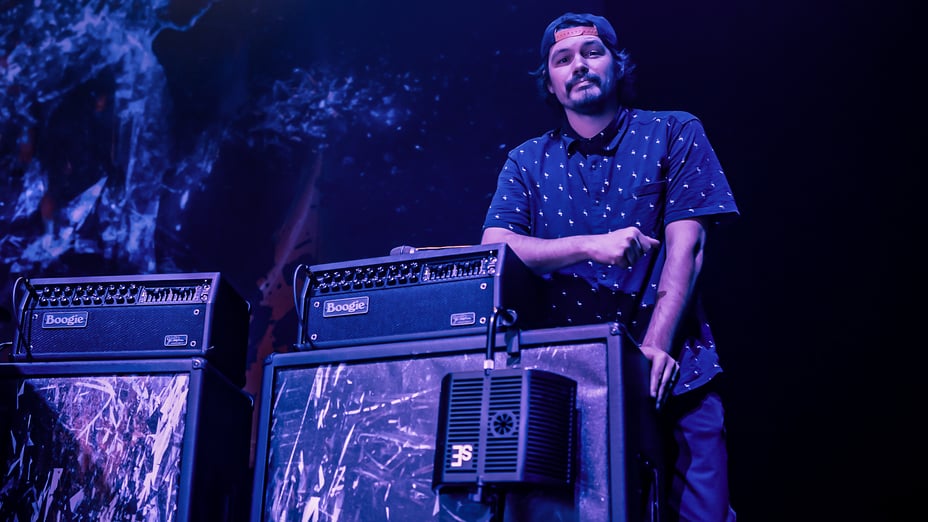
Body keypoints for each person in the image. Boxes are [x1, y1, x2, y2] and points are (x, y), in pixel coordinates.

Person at [481, 12, 739, 522]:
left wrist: (654, 349)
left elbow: (687, 249)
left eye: (592, 53)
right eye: (563, 60)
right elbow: (497, 249)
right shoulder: (526, 161)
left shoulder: (674, 131)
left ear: (617, 66)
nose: (578, 65)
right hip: (571, 383)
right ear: (550, 84)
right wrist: (591, 246)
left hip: (674, 370)